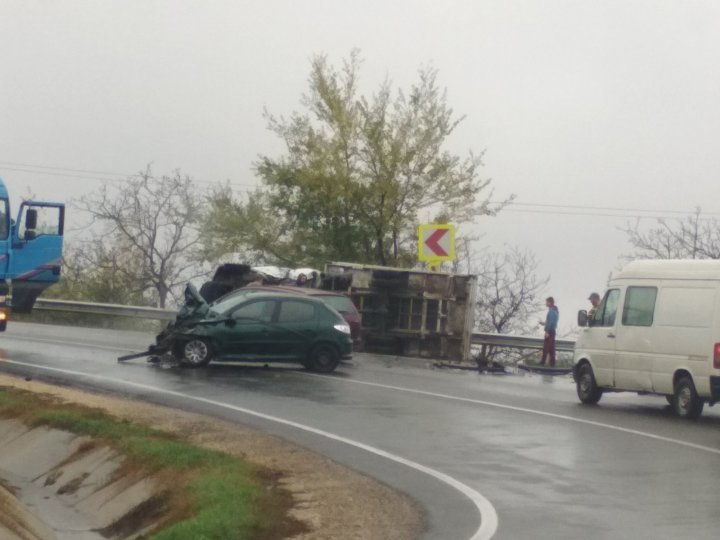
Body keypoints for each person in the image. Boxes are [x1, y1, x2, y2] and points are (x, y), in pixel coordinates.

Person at [538, 296, 559, 366]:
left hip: (550, 331)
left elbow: (552, 322)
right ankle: (552, 364)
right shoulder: (554, 310)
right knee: (551, 348)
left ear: (550, 302)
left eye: (546, 302)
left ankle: (542, 362)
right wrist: (543, 323)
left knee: (546, 347)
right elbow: (550, 321)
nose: (545, 303)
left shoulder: (552, 310)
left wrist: (547, 331)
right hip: (552, 331)